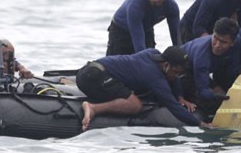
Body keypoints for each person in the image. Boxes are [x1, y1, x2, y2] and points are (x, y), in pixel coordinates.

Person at [76, 46, 208, 130]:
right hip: (91, 78)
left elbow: (174, 79)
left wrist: (180, 96)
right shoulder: (154, 77)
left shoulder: (152, 53)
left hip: (90, 69)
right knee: (135, 105)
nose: (176, 76)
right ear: (166, 65)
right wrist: (201, 124)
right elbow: (174, 107)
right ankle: (93, 108)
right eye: (175, 72)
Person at [106, 0, 180, 56]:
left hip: (146, 29)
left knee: (150, 58)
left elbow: (176, 36)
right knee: (119, 61)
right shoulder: (136, 5)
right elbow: (139, 46)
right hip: (121, 30)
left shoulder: (172, 7)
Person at [181, 18, 241, 119]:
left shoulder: (238, 43)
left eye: (223, 42)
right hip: (184, 71)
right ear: (212, 33)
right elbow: (203, 89)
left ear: (232, 43)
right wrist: (214, 97)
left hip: (206, 71)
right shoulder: (202, 56)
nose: (217, 45)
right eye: (215, 38)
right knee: (213, 101)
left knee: (227, 96)